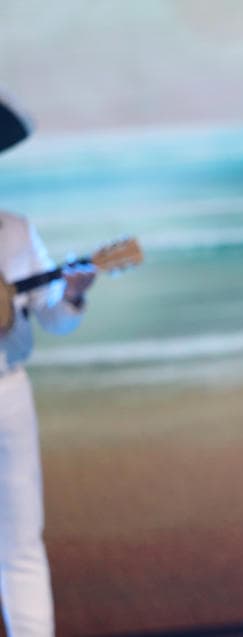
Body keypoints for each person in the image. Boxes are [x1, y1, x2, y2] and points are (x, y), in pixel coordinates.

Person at [0, 95, 97, 636]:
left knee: (20, 541)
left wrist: (74, 294)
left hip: (7, 391)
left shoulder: (13, 230)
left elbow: (54, 318)